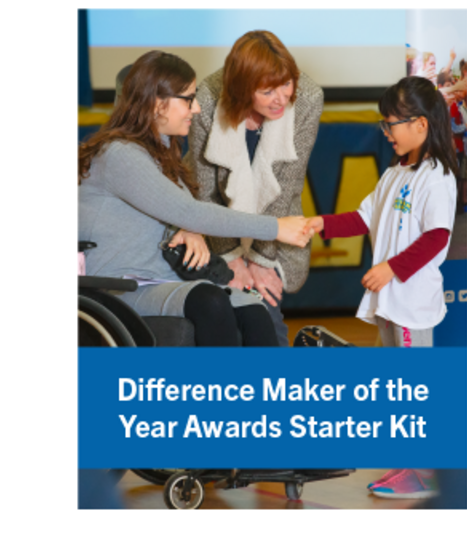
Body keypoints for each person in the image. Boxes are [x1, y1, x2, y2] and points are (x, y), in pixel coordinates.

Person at [79, 51, 312, 346]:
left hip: (161, 280)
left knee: (254, 309)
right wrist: (277, 227)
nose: (197, 108)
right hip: (119, 287)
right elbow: (187, 210)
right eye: (188, 99)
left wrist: (189, 228)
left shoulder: (162, 155)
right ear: (156, 103)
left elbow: (181, 212)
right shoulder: (120, 154)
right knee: (209, 301)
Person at [306, 76, 458, 498]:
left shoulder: (437, 177)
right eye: (384, 124)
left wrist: (390, 268)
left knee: (412, 388)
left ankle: (424, 472)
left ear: (421, 125)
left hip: (410, 304)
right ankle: (407, 464)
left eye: (392, 123)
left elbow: (437, 237)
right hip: (391, 304)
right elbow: (363, 217)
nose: (386, 132)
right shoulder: (396, 172)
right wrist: (322, 224)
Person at [185, 30, 324, 347]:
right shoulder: (207, 99)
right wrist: (230, 259)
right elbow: (205, 191)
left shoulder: (307, 99)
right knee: (227, 316)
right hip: (214, 228)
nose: (281, 98)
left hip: (273, 231)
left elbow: (286, 187)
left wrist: (260, 261)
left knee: (265, 311)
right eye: (267, 91)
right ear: (242, 90)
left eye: (286, 83)